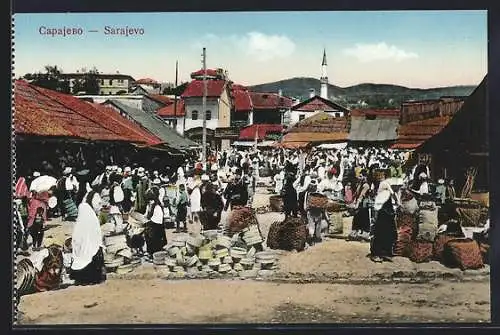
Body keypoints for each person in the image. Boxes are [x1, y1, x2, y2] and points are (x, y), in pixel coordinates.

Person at [69, 191, 106, 286]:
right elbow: (96, 236)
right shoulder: (91, 215)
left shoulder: (83, 211)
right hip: (91, 253)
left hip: (81, 248)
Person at [370, 180, 398, 263]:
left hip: (387, 217)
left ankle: (385, 252)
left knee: (388, 234)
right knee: (380, 234)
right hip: (383, 217)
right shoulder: (383, 194)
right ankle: (377, 254)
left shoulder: (387, 194)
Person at [144, 189, 167, 256]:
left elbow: (156, 218)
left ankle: (154, 253)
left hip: (156, 225)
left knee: (154, 239)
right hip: (153, 224)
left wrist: (148, 221)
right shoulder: (150, 205)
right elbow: (147, 214)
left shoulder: (156, 206)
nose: (149, 201)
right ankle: (151, 252)